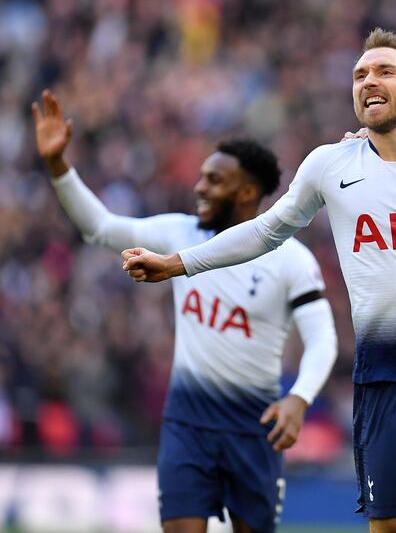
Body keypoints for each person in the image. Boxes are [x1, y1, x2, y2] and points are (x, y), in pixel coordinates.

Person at [118, 28, 396, 533]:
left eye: (385, 71)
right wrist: (178, 262)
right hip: (385, 380)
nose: (369, 81)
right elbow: (263, 231)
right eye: (360, 74)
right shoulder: (330, 164)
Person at [32, 89, 338, 533]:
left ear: (248, 191)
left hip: (255, 429)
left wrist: (299, 397)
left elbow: (323, 337)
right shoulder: (179, 232)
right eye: (202, 177)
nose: (199, 187)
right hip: (187, 424)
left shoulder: (290, 259)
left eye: (215, 180)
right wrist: (59, 165)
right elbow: (99, 228)